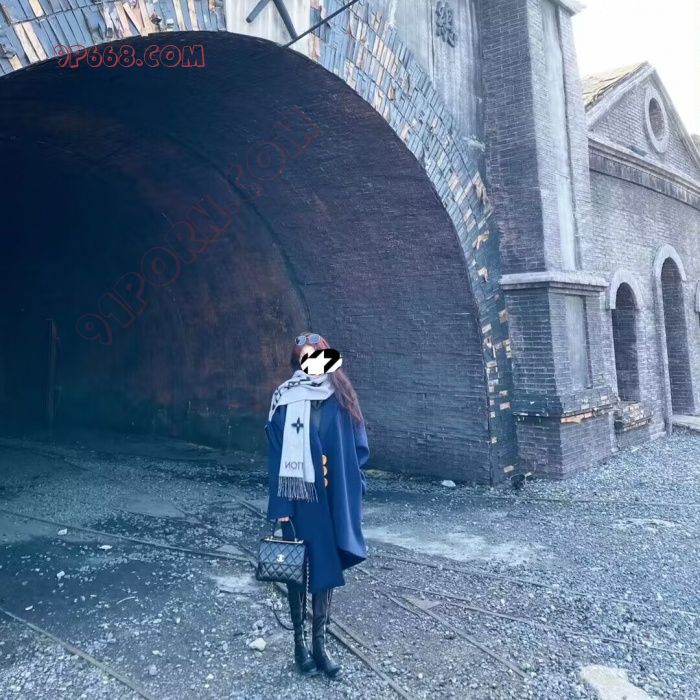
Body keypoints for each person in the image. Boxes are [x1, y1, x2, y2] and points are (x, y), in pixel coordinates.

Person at [265, 332, 369, 679]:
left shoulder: (341, 396)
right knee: (296, 569)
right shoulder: (284, 399)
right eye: (304, 358)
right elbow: (276, 455)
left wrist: (353, 486)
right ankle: (299, 644)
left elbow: (357, 445)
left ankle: (320, 646)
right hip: (299, 500)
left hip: (333, 501)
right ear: (296, 362)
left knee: (325, 569)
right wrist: (280, 506)